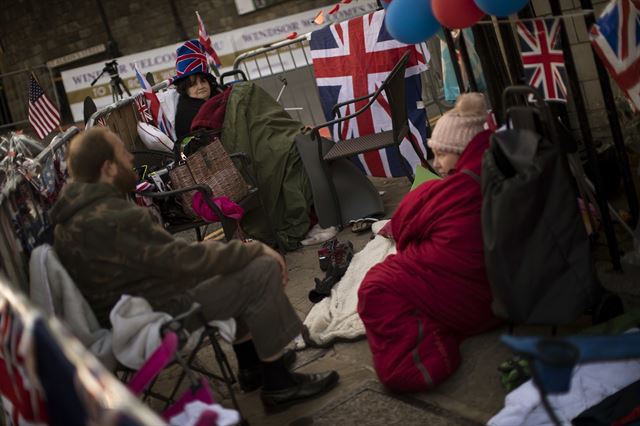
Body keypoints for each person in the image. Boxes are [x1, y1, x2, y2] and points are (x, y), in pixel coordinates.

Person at [49, 127, 339, 410]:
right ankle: (280, 384)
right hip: (156, 317)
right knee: (260, 269)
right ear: (108, 168)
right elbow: (182, 260)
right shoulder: (112, 216)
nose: (131, 160)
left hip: (132, 310)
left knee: (231, 269)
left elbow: (170, 260)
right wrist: (250, 248)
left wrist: (231, 256)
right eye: (124, 154)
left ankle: (252, 366)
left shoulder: (72, 218)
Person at [357, 93, 500, 392]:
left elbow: (406, 221)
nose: (436, 163)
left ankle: (419, 364)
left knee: (376, 287)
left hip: (478, 301)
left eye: (441, 153)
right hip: (495, 290)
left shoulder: (461, 187)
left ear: (460, 152)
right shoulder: (490, 171)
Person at [171, 39, 315, 251]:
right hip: (230, 161)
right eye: (192, 84)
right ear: (185, 88)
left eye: (203, 81)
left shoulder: (218, 97)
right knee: (280, 149)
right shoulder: (187, 111)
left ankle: (290, 134)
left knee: (274, 130)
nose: (200, 87)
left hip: (244, 146)